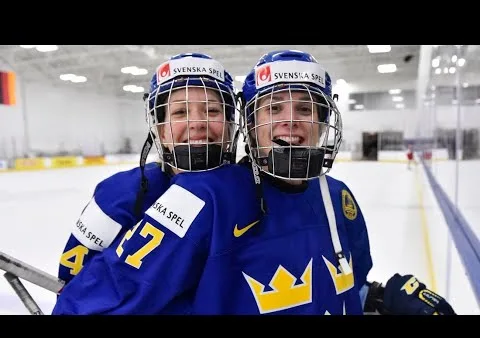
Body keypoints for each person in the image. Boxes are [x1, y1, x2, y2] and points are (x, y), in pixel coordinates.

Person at [52, 50, 455, 315]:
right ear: (249, 124)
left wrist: (380, 299)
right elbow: (92, 301)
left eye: (306, 108)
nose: (291, 120)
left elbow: (341, 287)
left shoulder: (338, 199)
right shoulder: (203, 196)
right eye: (274, 107)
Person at [56, 52, 239, 287]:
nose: (197, 123)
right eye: (180, 112)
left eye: (212, 111)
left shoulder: (254, 193)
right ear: (161, 130)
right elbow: (72, 281)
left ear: (230, 124)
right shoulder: (119, 195)